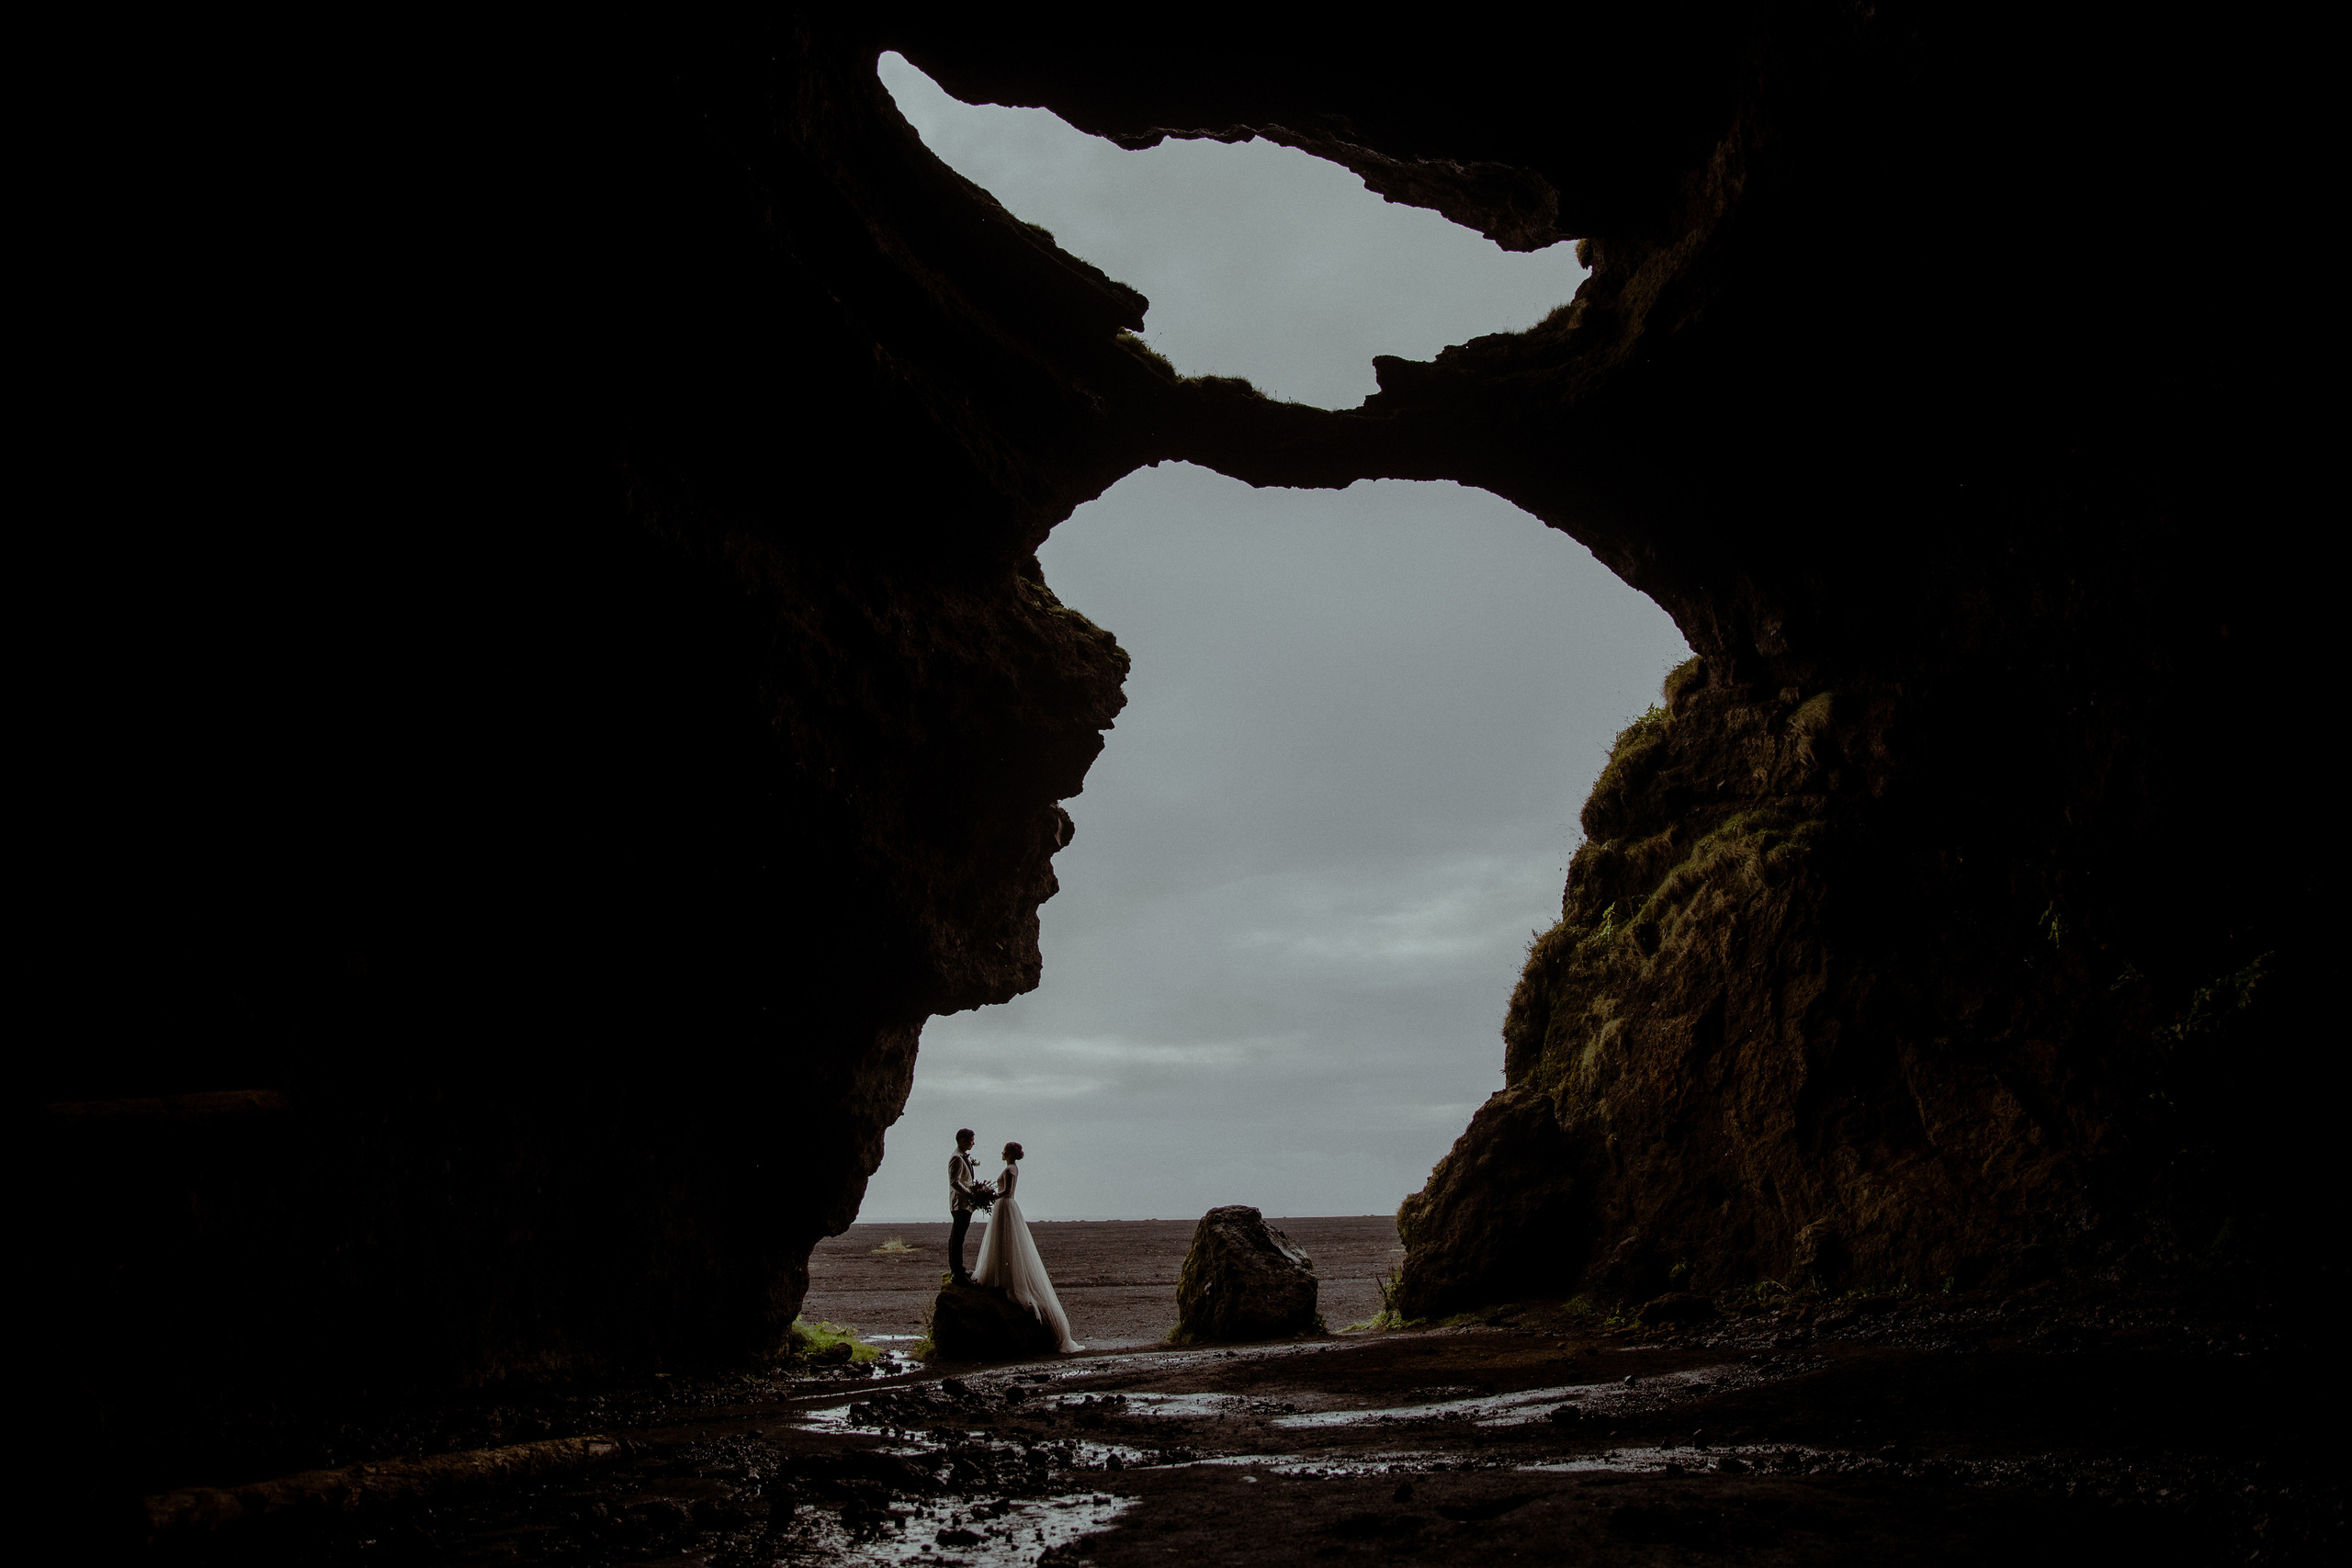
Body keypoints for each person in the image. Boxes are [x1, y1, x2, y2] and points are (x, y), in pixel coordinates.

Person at [971, 1141, 1083, 1352]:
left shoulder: (1011, 1169)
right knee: (1001, 1240)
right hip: (1003, 1207)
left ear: (1010, 1153)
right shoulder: (1010, 1168)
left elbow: (1008, 1192)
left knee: (1007, 1240)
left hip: (1006, 1205)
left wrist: (990, 1195)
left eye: (1004, 1150)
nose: (1001, 1152)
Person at [946, 1128, 991, 1285]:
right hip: (961, 1203)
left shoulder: (962, 1156)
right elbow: (954, 1182)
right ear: (963, 1141)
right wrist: (971, 1194)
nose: (974, 1143)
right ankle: (957, 1273)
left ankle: (959, 1270)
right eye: (972, 1140)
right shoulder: (957, 1158)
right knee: (957, 1239)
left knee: (958, 1238)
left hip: (965, 1204)